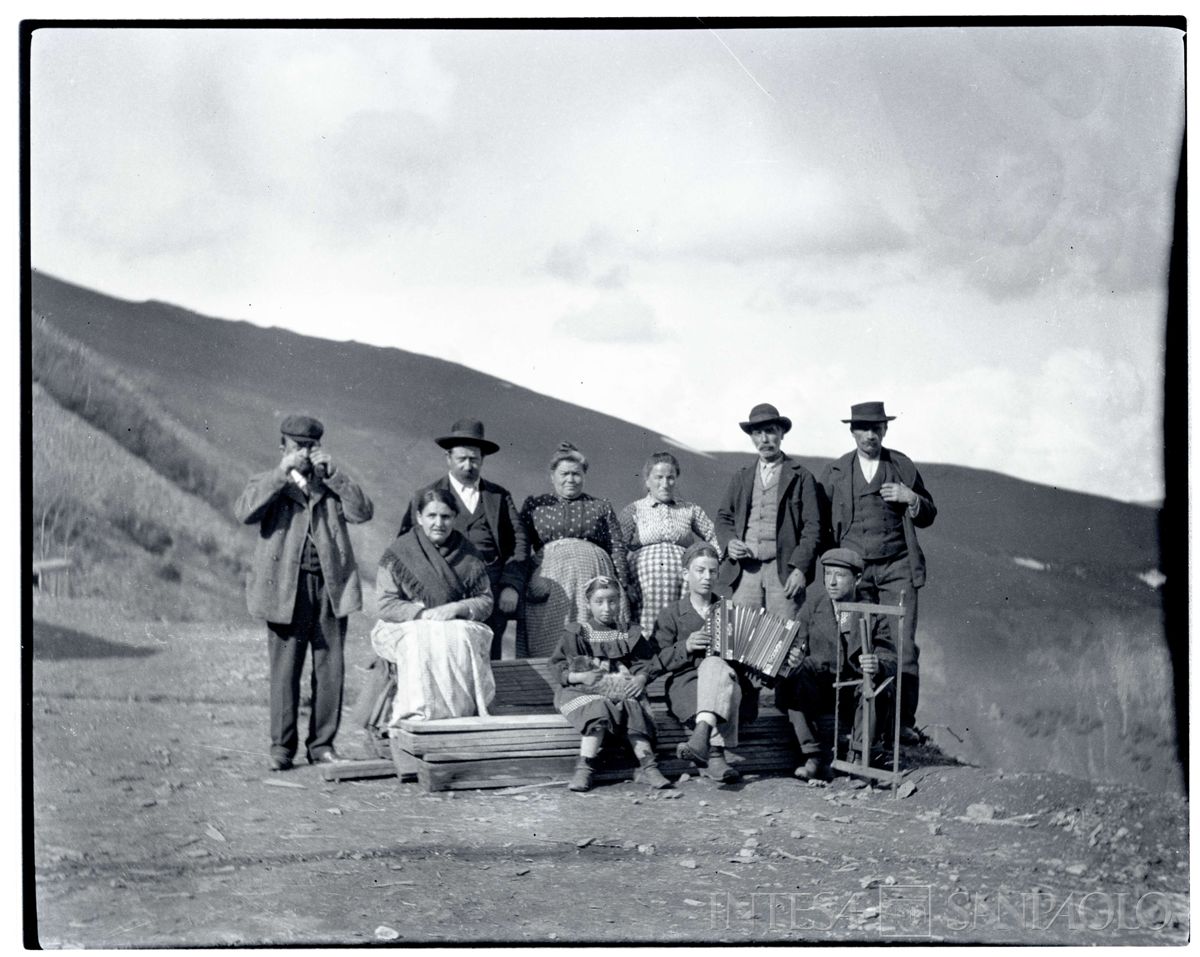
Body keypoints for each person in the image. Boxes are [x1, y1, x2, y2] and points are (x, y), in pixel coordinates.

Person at [234, 414, 374, 772]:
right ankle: (281, 748)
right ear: (283, 448)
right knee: (285, 671)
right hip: (284, 588)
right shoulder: (268, 481)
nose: (305, 454)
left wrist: (336, 475)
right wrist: (282, 473)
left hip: (330, 587)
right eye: (298, 447)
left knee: (330, 670)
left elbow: (363, 512)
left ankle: (322, 746)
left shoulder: (330, 484)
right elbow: (245, 511)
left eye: (310, 447)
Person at [816, 401, 936, 745]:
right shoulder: (837, 472)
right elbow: (823, 526)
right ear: (852, 431)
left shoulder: (901, 466)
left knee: (903, 647)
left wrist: (910, 496)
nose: (870, 435)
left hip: (897, 567)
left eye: (876, 428)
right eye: (863, 428)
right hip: (855, 573)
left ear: (885, 430)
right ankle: (862, 725)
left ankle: (902, 724)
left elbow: (928, 513)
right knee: (858, 645)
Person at [396, 418, 529, 659]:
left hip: (490, 595)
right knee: (441, 658)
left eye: (474, 459)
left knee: (487, 660)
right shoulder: (425, 496)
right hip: (438, 595)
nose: (468, 465)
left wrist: (511, 585)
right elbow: (406, 546)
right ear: (448, 458)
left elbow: (519, 542)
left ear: (482, 460)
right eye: (461, 459)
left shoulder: (498, 496)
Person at [370, 488, 497, 727]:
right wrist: (423, 613)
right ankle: (417, 716)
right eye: (431, 516)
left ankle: (460, 715)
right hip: (407, 626)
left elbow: (485, 600)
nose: (439, 523)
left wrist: (458, 607)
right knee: (421, 638)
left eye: (446, 517)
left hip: (454, 624)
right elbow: (386, 604)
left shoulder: (469, 553)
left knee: (459, 636)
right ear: (419, 517)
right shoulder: (399, 553)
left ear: (454, 518)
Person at [775, 548, 896, 781]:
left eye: (839, 576)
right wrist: (794, 657)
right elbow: (795, 643)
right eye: (828, 573)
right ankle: (814, 756)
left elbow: (890, 657)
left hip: (854, 694)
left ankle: (860, 758)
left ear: (857, 579)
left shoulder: (872, 613)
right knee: (794, 676)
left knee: (879, 686)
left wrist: (877, 663)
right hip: (820, 689)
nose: (831, 582)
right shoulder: (813, 606)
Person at [643, 542, 756, 784]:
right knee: (711, 669)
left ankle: (701, 737)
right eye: (700, 570)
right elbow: (654, 660)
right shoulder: (671, 613)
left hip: (728, 682)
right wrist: (684, 646)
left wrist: (738, 649)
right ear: (686, 574)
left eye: (712, 571)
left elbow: (749, 660)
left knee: (715, 665)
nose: (707, 577)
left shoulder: (729, 610)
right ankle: (715, 756)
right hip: (686, 685)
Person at [548, 576, 671, 792]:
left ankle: (648, 766)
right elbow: (557, 665)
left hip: (619, 688)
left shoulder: (628, 632)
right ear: (588, 604)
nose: (607, 608)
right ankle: (585, 768)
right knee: (599, 706)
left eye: (612, 601)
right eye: (599, 601)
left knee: (633, 705)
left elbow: (645, 663)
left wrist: (640, 678)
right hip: (581, 689)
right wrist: (578, 677)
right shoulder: (577, 632)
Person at [516, 442, 631, 657]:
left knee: (594, 636)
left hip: (593, 577)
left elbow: (617, 547)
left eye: (576, 474)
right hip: (553, 585)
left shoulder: (601, 506)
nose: (570, 479)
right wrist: (520, 583)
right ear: (552, 476)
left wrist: (622, 584)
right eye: (564, 474)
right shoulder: (536, 505)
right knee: (552, 642)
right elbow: (521, 545)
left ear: (584, 476)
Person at [714, 403, 821, 619]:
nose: (764, 439)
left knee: (782, 637)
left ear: (781, 433)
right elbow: (724, 517)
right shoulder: (742, 477)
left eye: (770, 431)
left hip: (783, 571)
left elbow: (813, 528)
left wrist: (800, 569)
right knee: (741, 636)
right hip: (746, 571)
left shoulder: (801, 477)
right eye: (757, 433)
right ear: (752, 437)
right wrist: (730, 542)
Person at [618, 451, 719, 635]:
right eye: (658, 477)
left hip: (683, 582)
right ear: (647, 480)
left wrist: (712, 565)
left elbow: (713, 535)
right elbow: (618, 546)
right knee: (649, 629)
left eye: (670, 477)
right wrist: (625, 583)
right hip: (645, 583)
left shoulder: (690, 509)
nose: (665, 484)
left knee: (682, 622)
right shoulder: (635, 509)